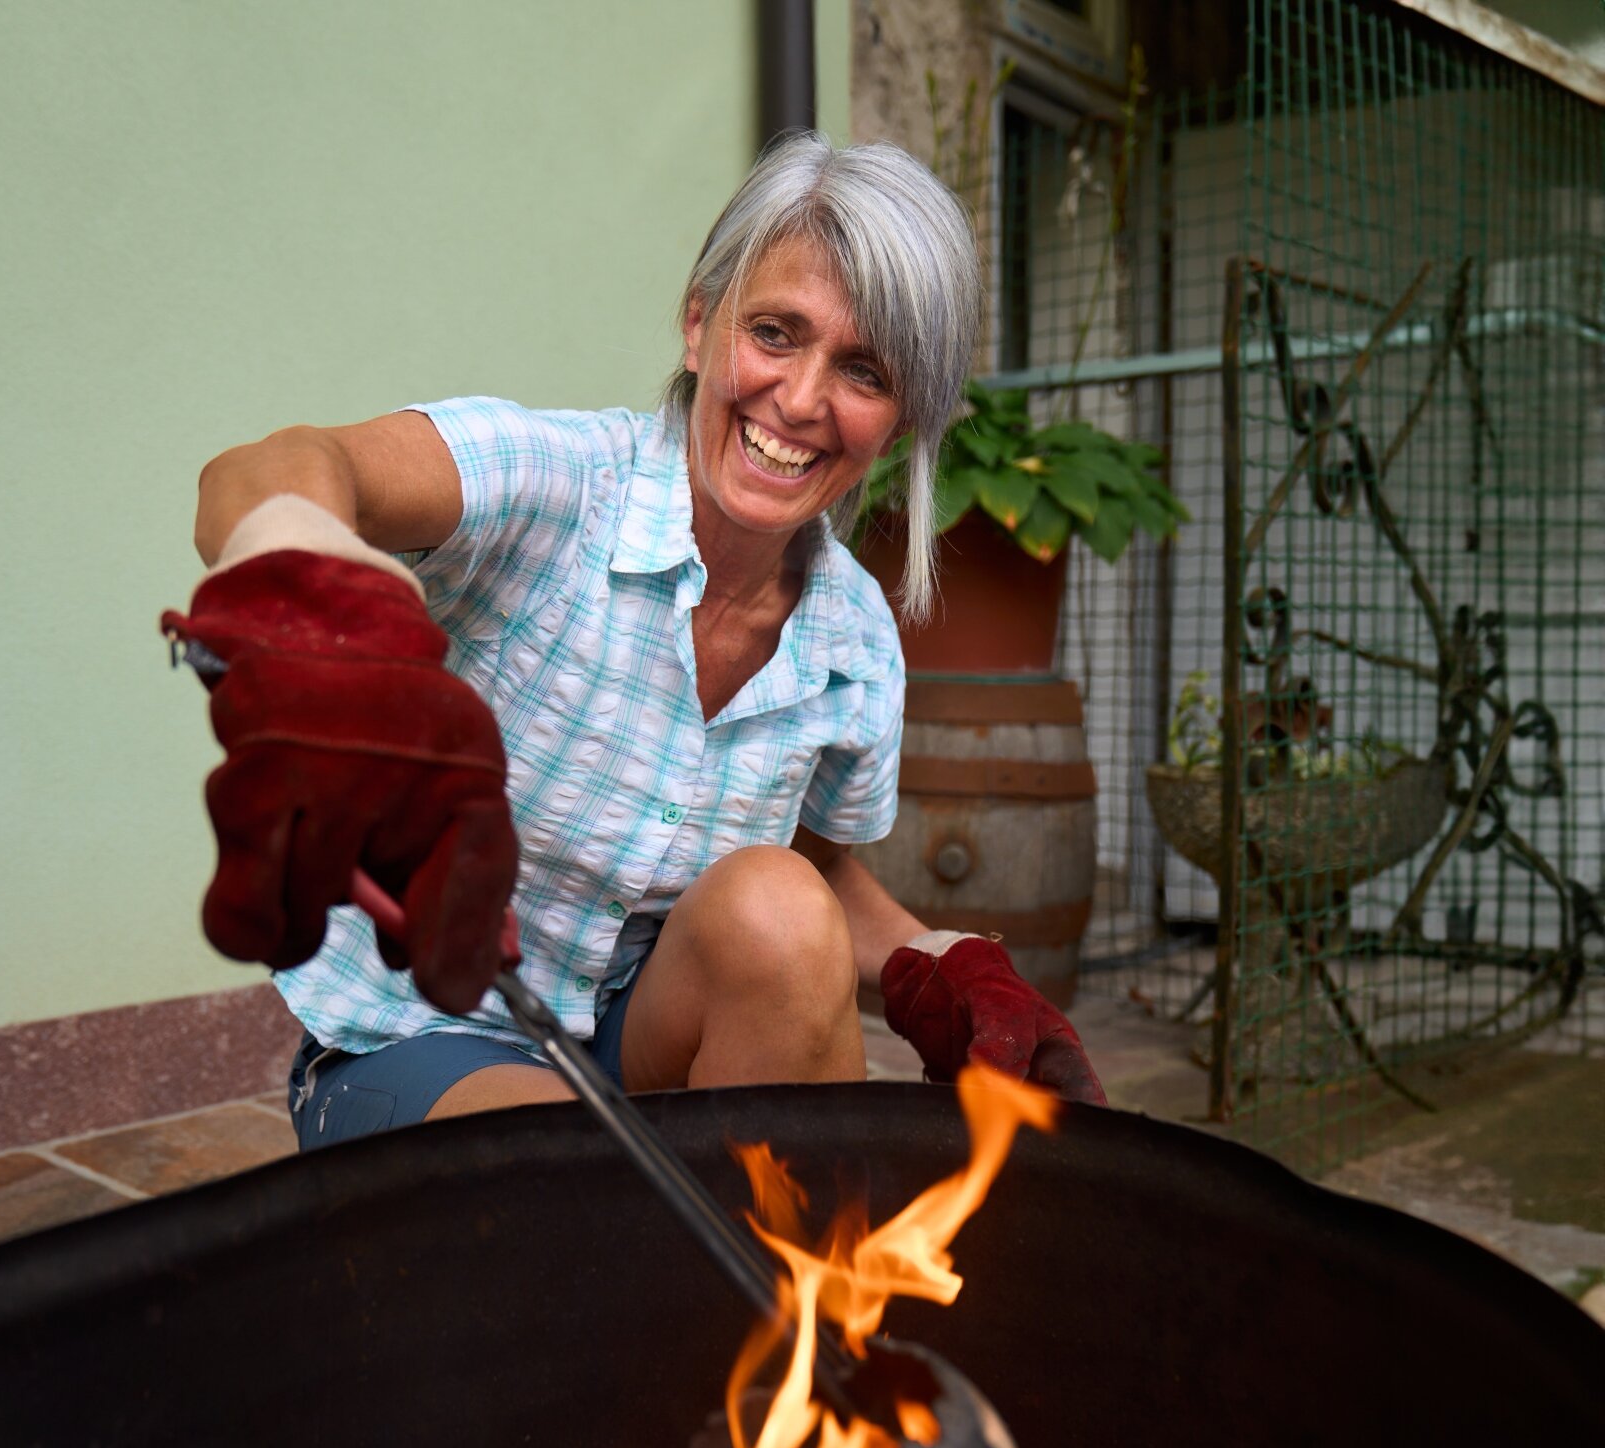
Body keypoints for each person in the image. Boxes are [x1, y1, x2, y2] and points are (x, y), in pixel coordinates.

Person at [164, 134, 1104, 1149]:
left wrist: (944, 964)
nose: (799, 400)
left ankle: (791, 1288)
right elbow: (270, 468)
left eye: (863, 370)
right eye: (776, 332)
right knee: (591, 1217)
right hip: (425, 1033)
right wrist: (310, 587)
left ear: (903, 417)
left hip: (636, 1036)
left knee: (778, 913)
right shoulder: (556, 483)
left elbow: (813, 877)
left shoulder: (855, 643)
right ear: (700, 325)